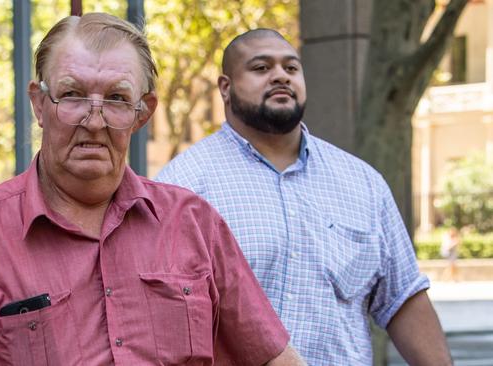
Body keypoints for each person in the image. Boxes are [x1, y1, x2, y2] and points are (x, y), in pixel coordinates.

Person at [0, 15, 305, 366]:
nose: (94, 120)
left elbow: (271, 358)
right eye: (72, 95)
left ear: (142, 112)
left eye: (115, 98)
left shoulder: (193, 225)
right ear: (38, 103)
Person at [156, 28, 453, 365]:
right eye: (261, 68)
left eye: (291, 68)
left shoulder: (363, 183)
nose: (280, 76)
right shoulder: (182, 188)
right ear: (225, 88)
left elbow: (402, 298)